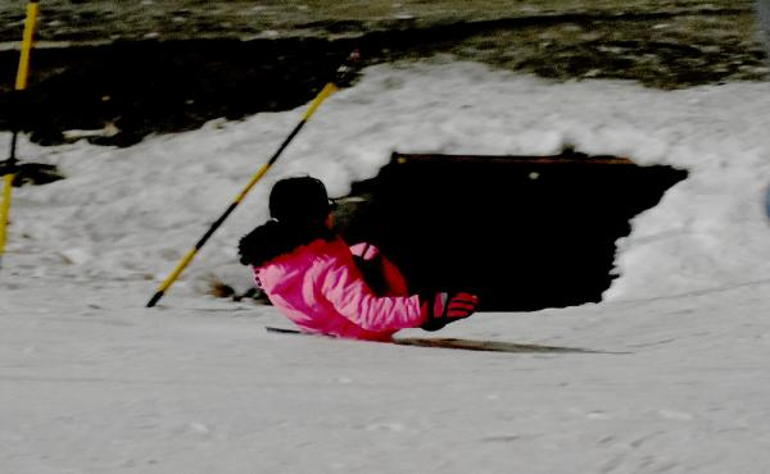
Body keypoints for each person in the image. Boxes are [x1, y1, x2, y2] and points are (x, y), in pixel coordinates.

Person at [238, 176, 479, 342]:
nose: (333, 212)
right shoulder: (324, 261)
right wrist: (430, 308)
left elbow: (310, 283)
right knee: (372, 253)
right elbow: (368, 314)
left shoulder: (266, 258)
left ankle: (408, 310)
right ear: (318, 215)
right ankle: (411, 309)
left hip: (320, 321)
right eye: (329, 207)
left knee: (360, 251)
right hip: (361, 330)